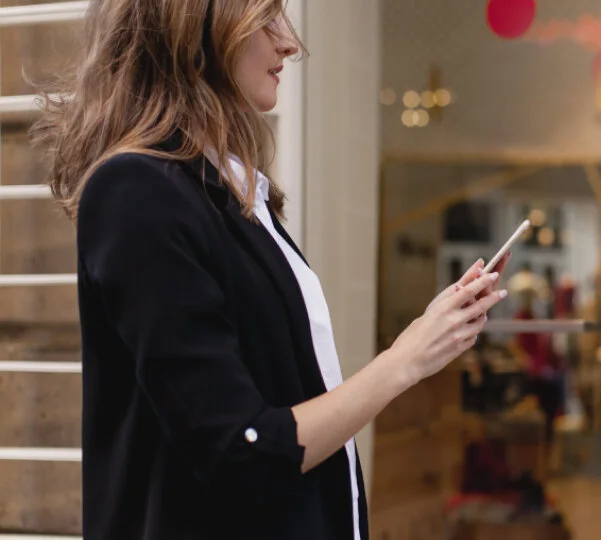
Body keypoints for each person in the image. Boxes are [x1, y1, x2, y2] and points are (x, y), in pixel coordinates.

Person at [30, 1, 509, 539]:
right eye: (266, 18)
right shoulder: (139, 194)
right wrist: (406, 359)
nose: (289, 43)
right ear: (195, 27)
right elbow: (242, 448)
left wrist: (424, 340)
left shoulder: (229, 194)